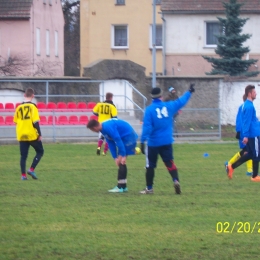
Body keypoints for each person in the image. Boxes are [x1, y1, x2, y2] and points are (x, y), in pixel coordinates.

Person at [139, 84, 195, 194]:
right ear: (161, 96)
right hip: (166, 141)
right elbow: (181, 102)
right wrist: (189, 91)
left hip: (153, 143)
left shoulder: (149, 110)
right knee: (169, 163)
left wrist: (142, 141)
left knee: (150, 166)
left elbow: (147, 127)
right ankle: (175, 180)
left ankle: (149, 188)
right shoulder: (169, 106)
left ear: (152, 97)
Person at [87, 118, 138, 193]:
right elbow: (110, 143)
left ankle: (120, 187)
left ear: (94, 128)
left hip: (128, 136)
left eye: (92, 130)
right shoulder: (103, 129)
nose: (93, 131)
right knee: (121, 162)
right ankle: (123, 187)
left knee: (122, 161)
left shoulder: (107, 127)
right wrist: (115, 157)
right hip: (124, 137)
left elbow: (118, 140)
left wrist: (122, 154)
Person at [226, 85, 260, 182]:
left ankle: (231, 167)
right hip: (253, 134)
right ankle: (254, 176)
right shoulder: (249, 106)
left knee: (250, 154)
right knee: (256, 154)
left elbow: (251, 120)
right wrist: (245, 135)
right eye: (254, 92)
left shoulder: (247, 105)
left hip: (253, 133)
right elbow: (247, 121)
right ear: (249, 94)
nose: (256, 93)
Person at [13, 88, 44, 180]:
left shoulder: (18, 107)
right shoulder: (33, 107)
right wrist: (39, 134)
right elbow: (35, 122)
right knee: (40, 151)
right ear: (33, 96)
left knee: (23, 156)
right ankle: (31, 169)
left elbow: (15, 122)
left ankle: (23, 176)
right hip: (31, 134)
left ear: (24, 95)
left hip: (21, 134)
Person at [224, 95, 252, 176]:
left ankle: (229, 164)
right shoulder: (243, 108)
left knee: (246, 151)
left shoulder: (248, 107)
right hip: (243, 133)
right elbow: (239, 120)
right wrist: (239, 131)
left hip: (247, 132)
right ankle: (249, 171)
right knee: (248, 150)